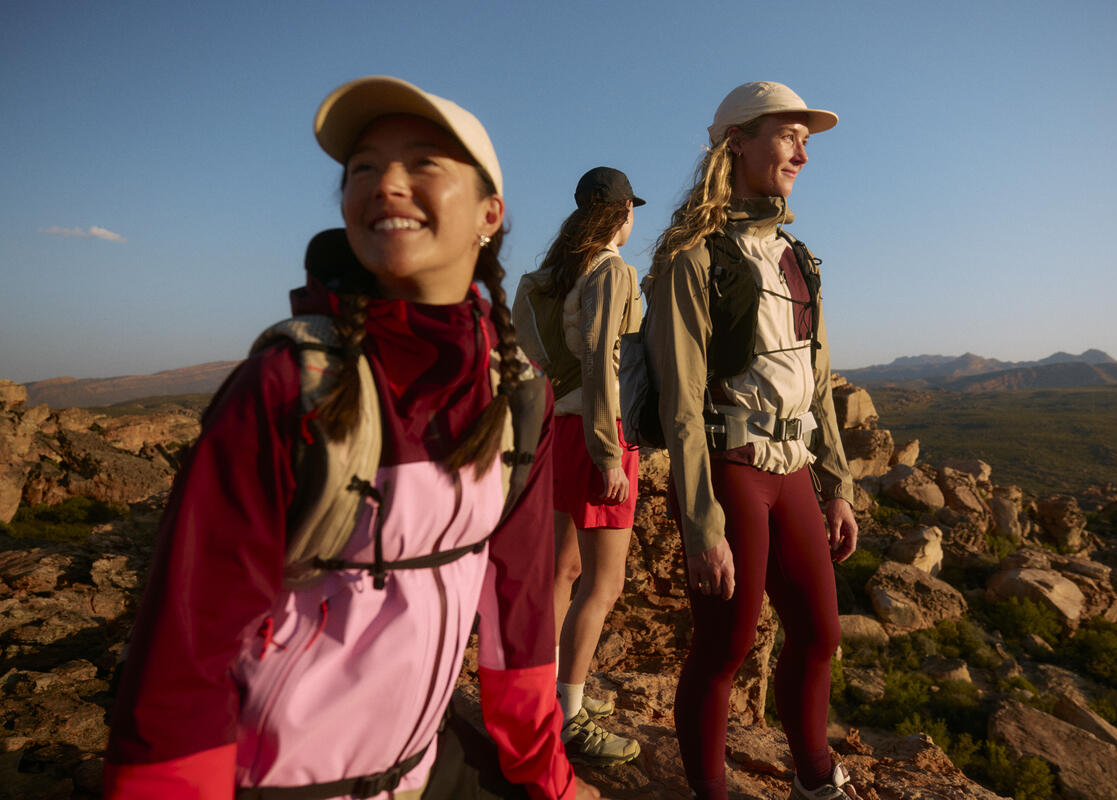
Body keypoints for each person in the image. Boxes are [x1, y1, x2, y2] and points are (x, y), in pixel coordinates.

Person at [104, 75, 602, 800]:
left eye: (423, 162)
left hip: (420, 769)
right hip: (272, 782)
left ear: (490, 212)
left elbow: (519, 620)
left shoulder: (518, 395)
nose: (386, 184)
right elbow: (185, 654)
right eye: (363, 168)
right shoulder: (285, 387)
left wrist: (549, 778)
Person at [643, 81, 863, 800]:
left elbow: (819, 379)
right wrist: (702, 525)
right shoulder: (693, 256)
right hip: (730, 464)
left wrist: (836, 486)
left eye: (808, 139)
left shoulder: (797, 257)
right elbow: (679, 402)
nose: (803, 151)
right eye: (788, 134)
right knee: (725, 648)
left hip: (793, 466)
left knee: (822, 633)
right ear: (737, 142)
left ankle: (815, 778)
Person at [512, 168, 643, 767]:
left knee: (563, 569)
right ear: (620, 213)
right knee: (605, 583)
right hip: (602, 431)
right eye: (629, 209)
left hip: (562, 426)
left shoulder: (557, 272)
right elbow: (602, 362)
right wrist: (609, 453)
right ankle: (570, 717)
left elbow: (551, 354)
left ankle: (545, 692)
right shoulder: (611, 268)